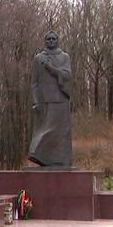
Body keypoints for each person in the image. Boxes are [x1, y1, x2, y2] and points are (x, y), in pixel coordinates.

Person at [28, 30, 73, 167]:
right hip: (44, 101)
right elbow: (34, 83)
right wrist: (35, 101)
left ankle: (61, 159)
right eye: (49, 39)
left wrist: (52, 69)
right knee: (44, 130)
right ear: (45, 41)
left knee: (61, 133)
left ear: (57, 40)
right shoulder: (38, 58)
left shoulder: (64, 57)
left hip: (61, 100)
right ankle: (37, 154)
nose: (51, 41)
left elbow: (68, 76)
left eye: (54, 39)